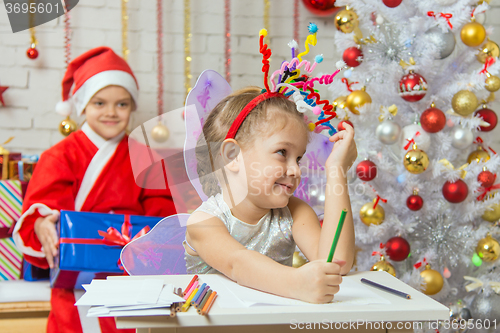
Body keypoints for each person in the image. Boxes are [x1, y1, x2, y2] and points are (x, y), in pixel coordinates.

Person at [13, 47, 177, 333]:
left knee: (133, 326)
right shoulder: (59, 156)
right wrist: (42, 224)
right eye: (100, 103)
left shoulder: (146, 155)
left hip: (132, 270)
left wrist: (157, 238)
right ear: (83, 106)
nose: (111, 113)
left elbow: (161, 212)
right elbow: (42, 209)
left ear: (132, 107)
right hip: (76, 272)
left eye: (122, 104)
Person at [183, 86, 357, 304]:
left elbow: (337, 262)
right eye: (282, 153)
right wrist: (297, 282)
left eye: (299, 158)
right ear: (232, 156)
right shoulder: (203, 222)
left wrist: (337, 170)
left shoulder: (295, 212)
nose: (296, 170)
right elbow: (238, 263)